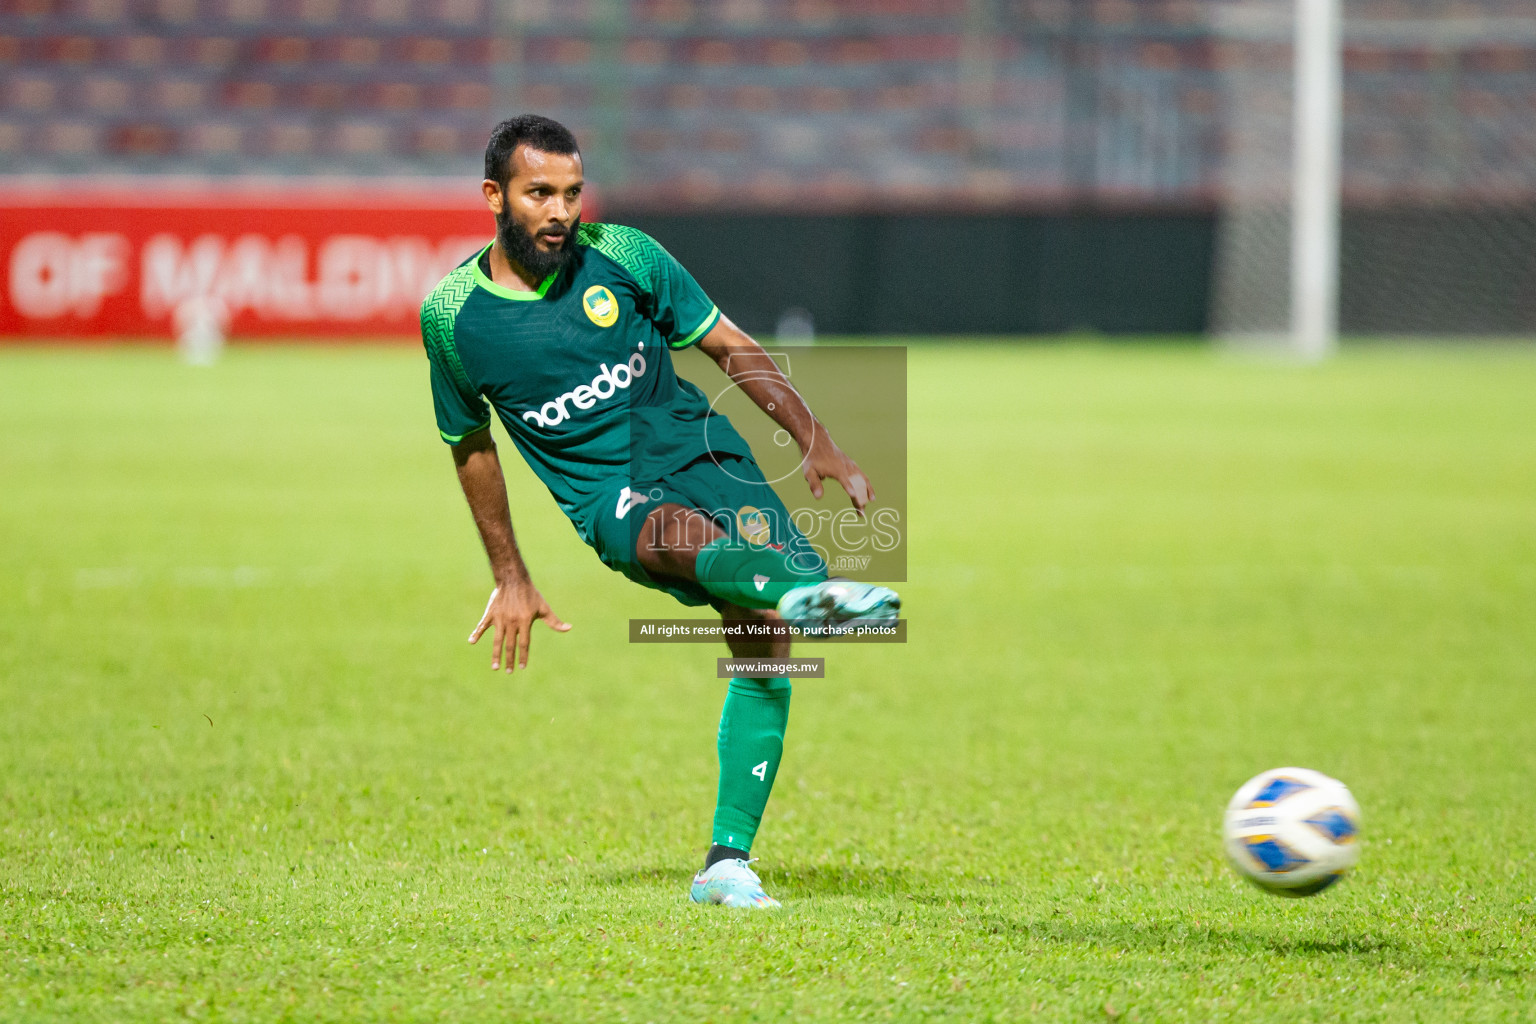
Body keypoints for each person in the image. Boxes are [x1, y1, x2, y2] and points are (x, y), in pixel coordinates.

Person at [420, 114, 900, 909]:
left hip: (703, 453)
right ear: (494, 196)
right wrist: (510, 573)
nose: (560, 211)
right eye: (540, 192)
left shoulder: (629, 255)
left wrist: (817, 441)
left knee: (763, 646)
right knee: (687, 545)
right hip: (608, 496)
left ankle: (726, 865)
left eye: (572, 192)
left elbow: (727, 345)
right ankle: (793, 589)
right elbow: (470, 442)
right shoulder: (454, 318)